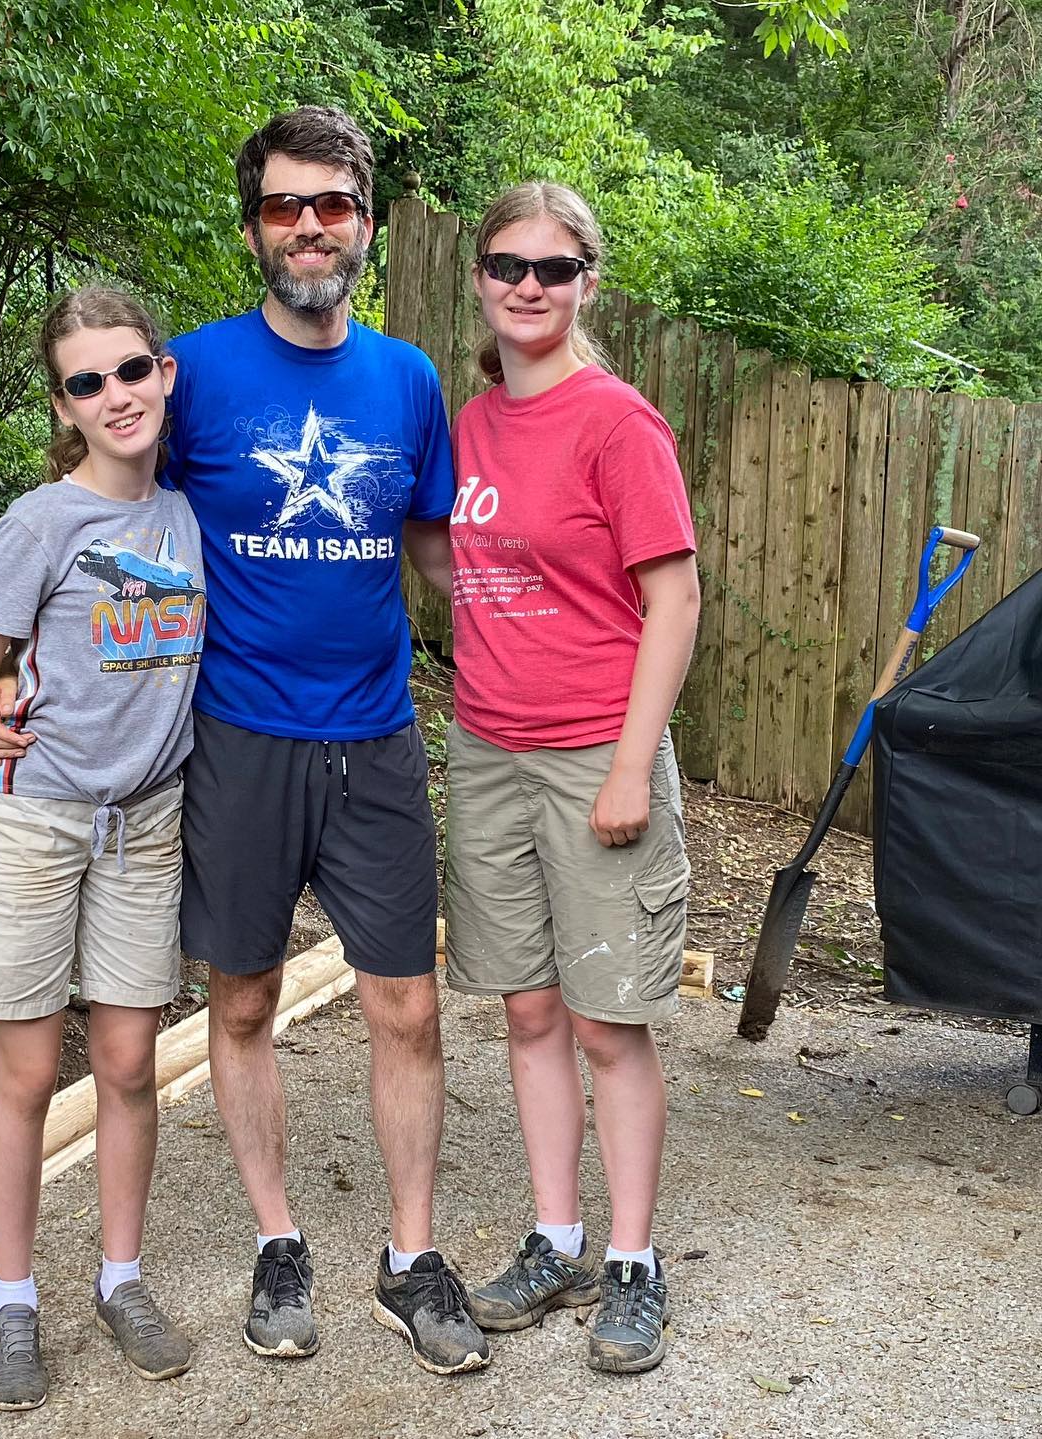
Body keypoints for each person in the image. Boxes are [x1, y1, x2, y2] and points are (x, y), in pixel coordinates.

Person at [0, 107, 488, 1376]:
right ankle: (278, 1243)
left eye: (331, 203)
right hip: (234, 740)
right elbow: (98, 511)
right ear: (256, 225)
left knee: (408, 1005)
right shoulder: (192, 371)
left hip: (373, 735)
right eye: (282, 206)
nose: (308, 226)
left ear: (367, 221)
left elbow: (436, 549)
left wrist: (533, 617)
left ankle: (411, 1257)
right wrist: (8, 671)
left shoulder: (411, 380)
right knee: (244, 999)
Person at [0, 288, 206, 1409]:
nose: (114, 396)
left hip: (147, 823)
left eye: (130, 370)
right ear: (65, 404)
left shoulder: (190, 519)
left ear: (164, 373)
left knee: (132, 1062)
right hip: (35, 821)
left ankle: (122, 1275)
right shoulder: (40, 521)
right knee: (30, 1070)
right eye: (87, 382)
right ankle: (9, 1298)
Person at [444, 182, 700, 1375]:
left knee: (608, 1021)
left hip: (596, 752)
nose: (528, 286)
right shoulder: (473, 423)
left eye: (554, 268)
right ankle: (558, 1234)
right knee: (529, 1007)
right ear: (482, 276)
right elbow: (451, 550)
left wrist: (632, 763)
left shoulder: (617, 422)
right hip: (486, 748)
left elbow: (675, 598)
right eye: (508, 265)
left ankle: (636, 1264)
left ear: (587, 280)